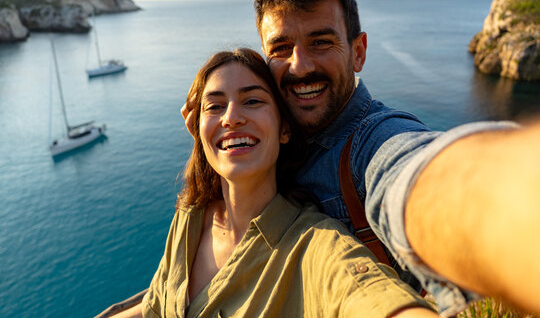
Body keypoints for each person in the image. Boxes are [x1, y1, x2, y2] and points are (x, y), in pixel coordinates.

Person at [181, 0, 540, 317]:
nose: (300, 65)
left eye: (321, 42)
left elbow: (419, 176)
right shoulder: (272, 141)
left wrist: (508, 206)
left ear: (358, 52)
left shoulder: (373, 142)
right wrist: (217, 137)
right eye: (281, 48)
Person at [112, 48, 439, 318]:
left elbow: (369, 297)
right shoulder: (190, 216)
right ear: (196, 127)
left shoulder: (313, 245)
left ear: (284, 130)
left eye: (252, 101)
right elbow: (155, 304)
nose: (231, 117)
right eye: (215, 106)